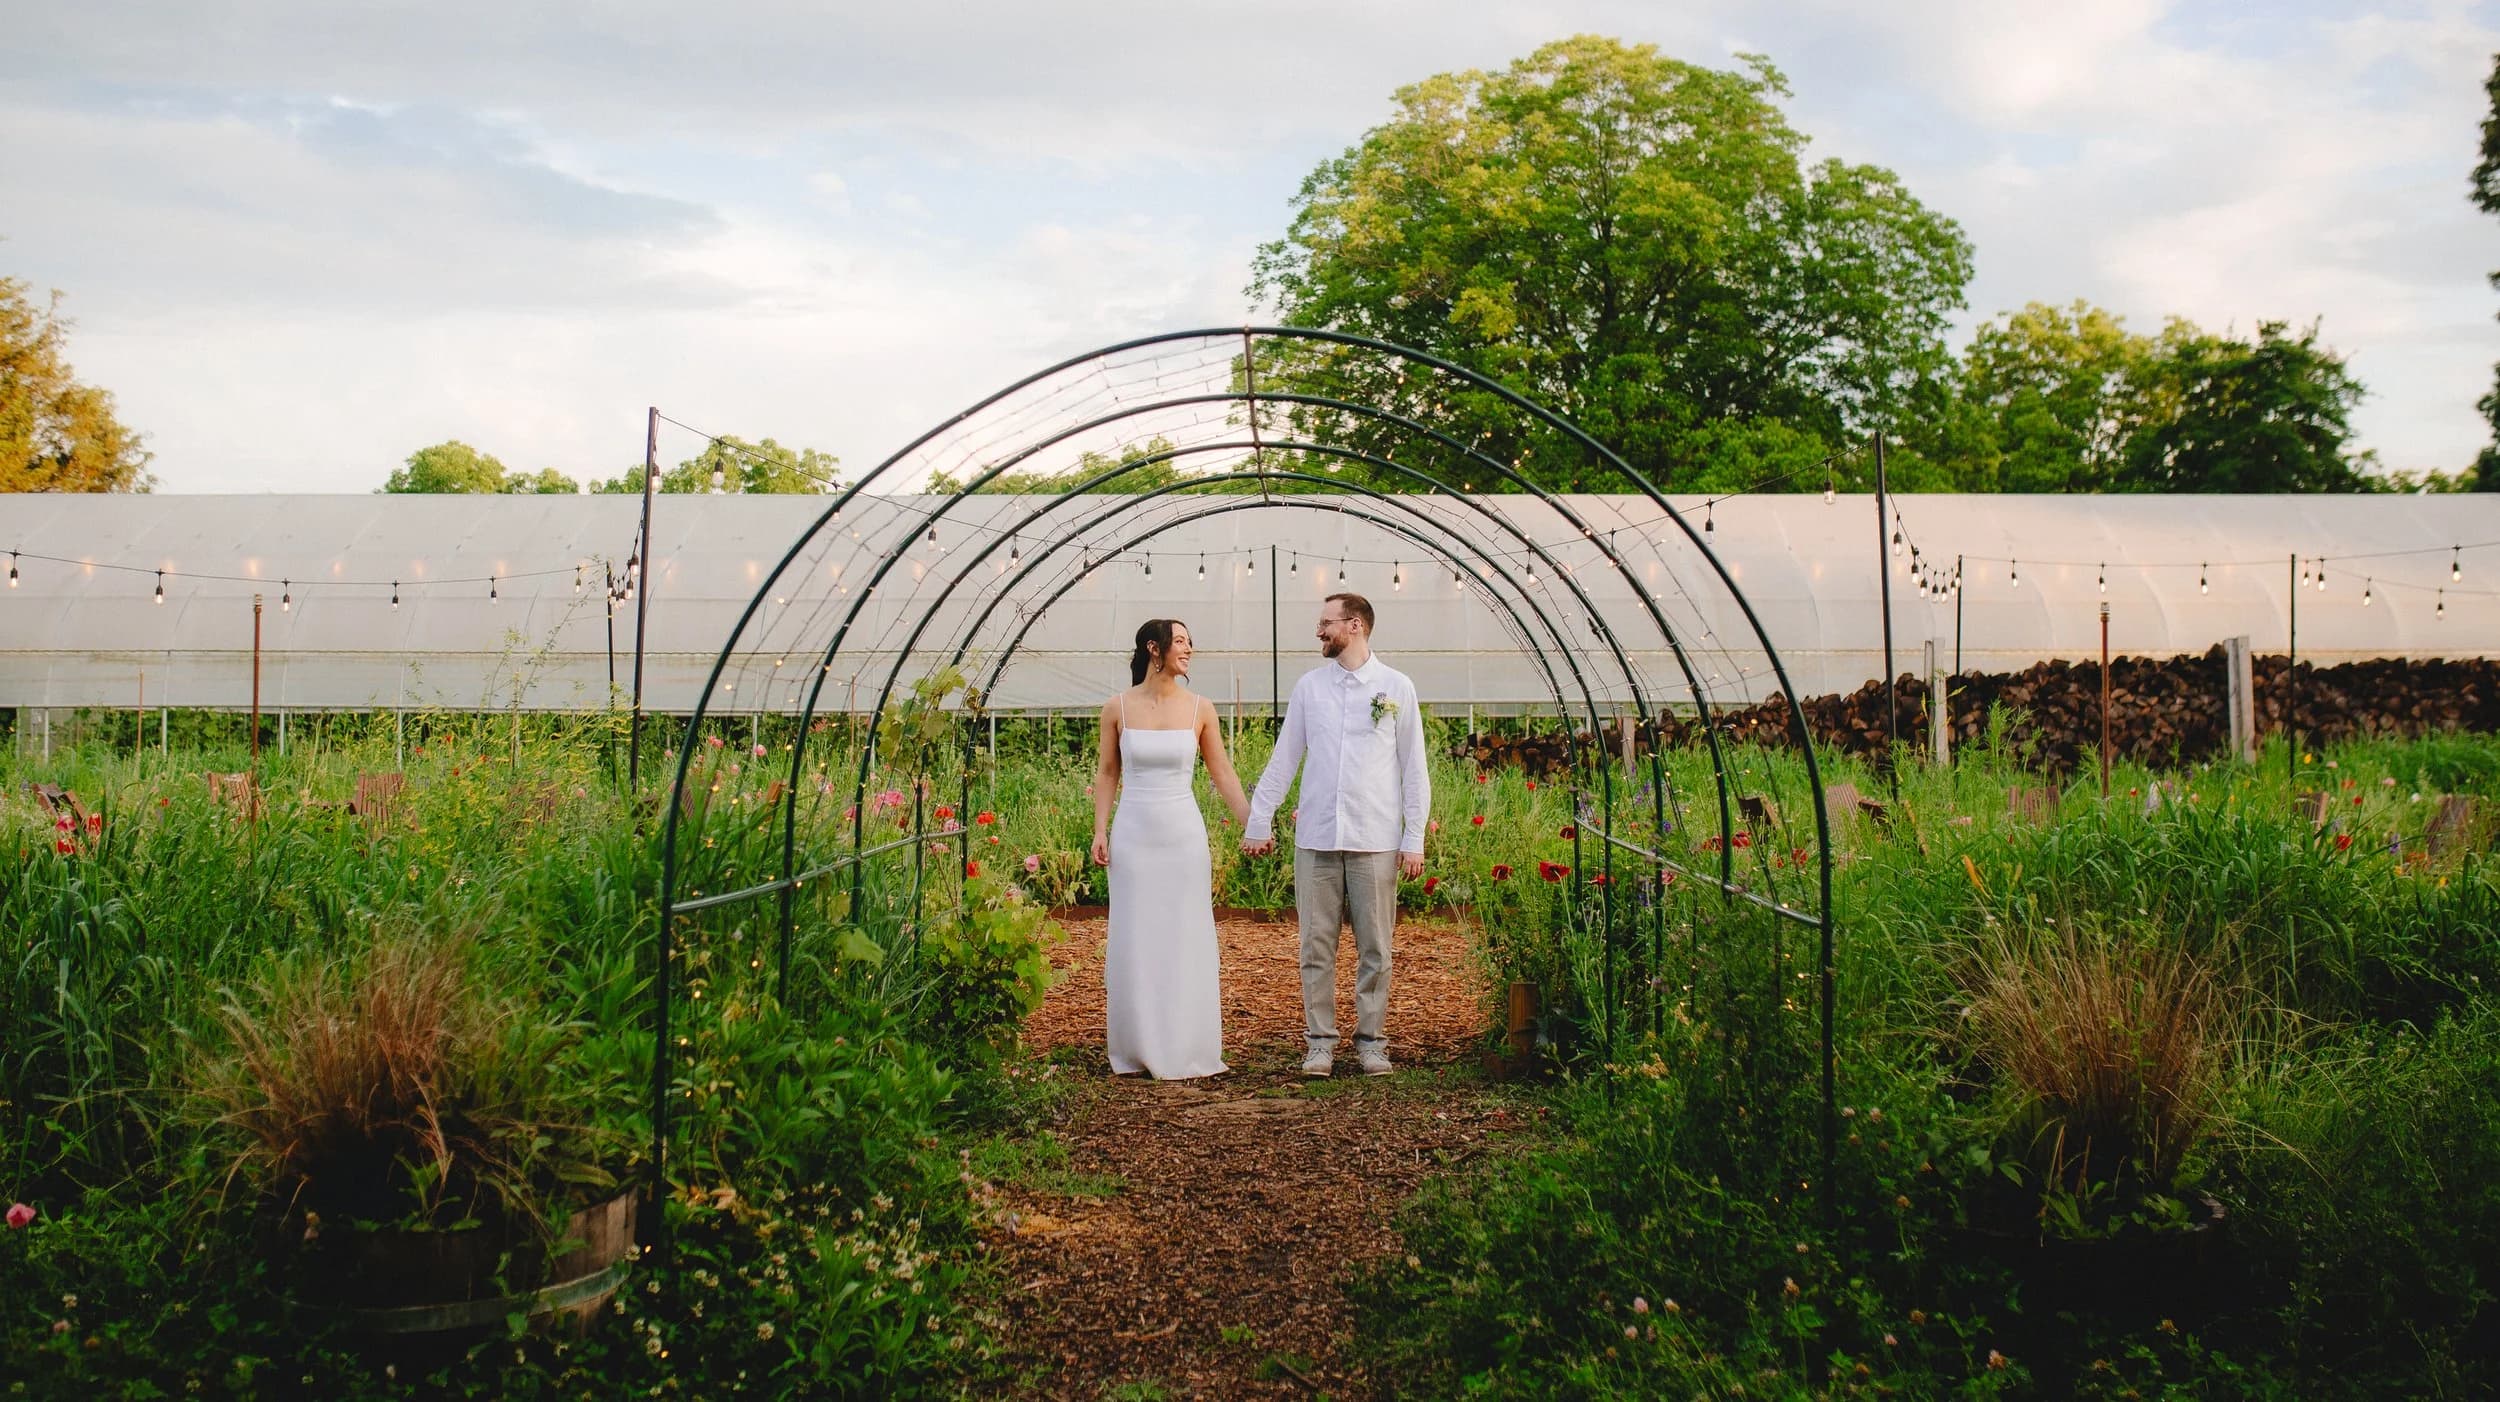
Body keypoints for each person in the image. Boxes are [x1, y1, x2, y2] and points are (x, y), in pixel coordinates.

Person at [1241, 593, 1428, 1077]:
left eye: (1326, 623)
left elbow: (1414, 769)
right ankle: (1320, 1043)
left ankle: (1371, 1042)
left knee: (1376, 949)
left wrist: (1414, 838)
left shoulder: (1396, 687)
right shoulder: (1310, 688)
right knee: (1315, 948)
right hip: (1318, 839)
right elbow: (1285, 758)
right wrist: (1259, 819)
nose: (1318, 631)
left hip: (1376, 838)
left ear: (1356, 625)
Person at [1094, 618, 1251, 1079]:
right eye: (1180, 641)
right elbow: (1107, 773)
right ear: (1154, 648)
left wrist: (1255, 825)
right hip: (1134, 837)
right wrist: (1100, 830)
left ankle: (1187, 1044)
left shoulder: (1201, 708)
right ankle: (1138, 1045)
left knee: (1185, 935)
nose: (1189, 649)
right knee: (1136, 937)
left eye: (1189, 642)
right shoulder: (1116, 708)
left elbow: (1223, 772)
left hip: (1183, 837)